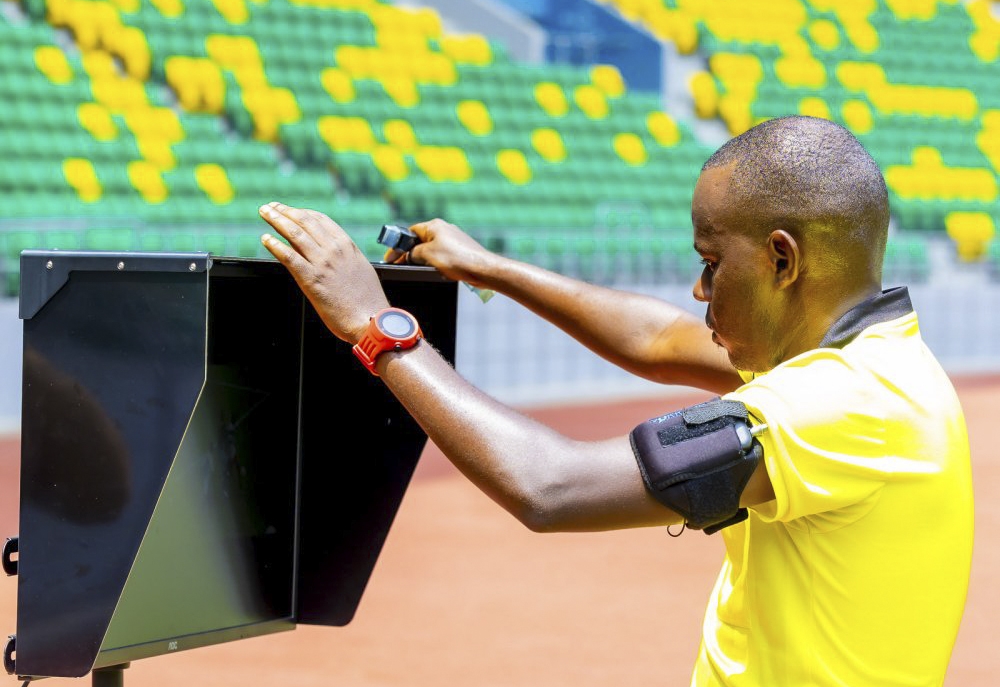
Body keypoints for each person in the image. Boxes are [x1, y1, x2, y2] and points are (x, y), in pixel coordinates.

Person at [258, 115, 973, 687]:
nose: (698, 291)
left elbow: (550, 486)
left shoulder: (839, 405)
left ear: (783, 261)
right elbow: (657, 338)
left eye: (711, 263)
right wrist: (491, 268)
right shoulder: (870, 361)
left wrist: (377, 328)